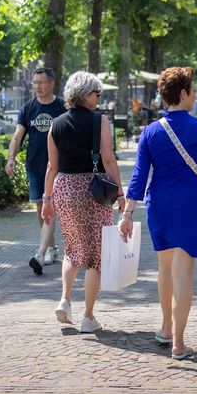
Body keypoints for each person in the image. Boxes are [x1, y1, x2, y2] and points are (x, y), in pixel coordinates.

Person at [122, 67, 197, 360]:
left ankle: (165, 327)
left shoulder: (149, 132)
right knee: (184, 272)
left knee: (165, 268)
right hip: (191, 205)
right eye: (194, 90)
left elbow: (138, 177)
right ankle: (179, 342)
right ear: (183, 94)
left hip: (159, 204)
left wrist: (126, 214)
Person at [43, 71, 126, 333]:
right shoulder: (100, 121)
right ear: (85, 94)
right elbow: (109, 159)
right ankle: (88, 317)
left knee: (72, 248)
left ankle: (65, 300)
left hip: (64, 189)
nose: (99, 98)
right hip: (92, 190)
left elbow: (51, 166)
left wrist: (47, 199)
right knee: (95, 257)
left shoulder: (55, 124)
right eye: (96, 93)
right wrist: (121, 194)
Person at [6, 67, 67, 275]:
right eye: (35, 83)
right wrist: (10, 159)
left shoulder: (62, 107)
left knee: (55, 207)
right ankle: (51, 247)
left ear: (52, 83)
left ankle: (48, 249)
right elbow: (17, 137)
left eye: (42, 82)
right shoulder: (28, 108)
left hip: (60, 166)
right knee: (41, 209)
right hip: (35, 165)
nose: (38, 87)